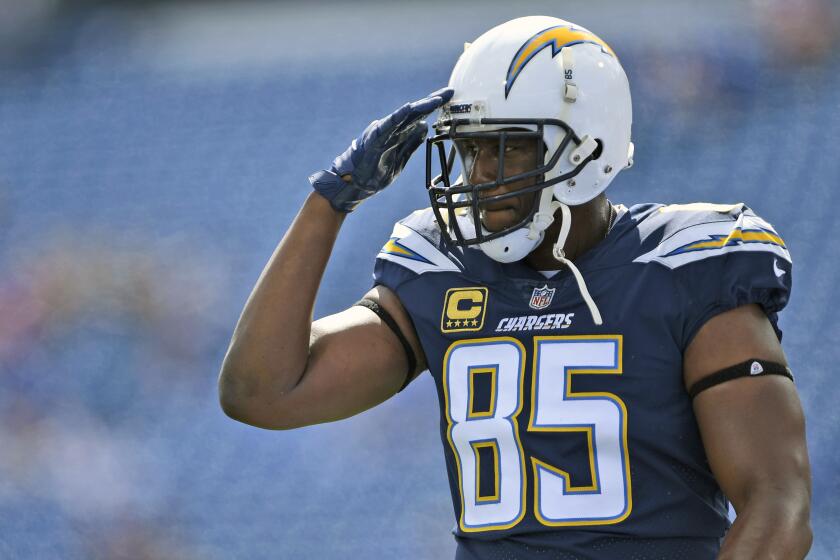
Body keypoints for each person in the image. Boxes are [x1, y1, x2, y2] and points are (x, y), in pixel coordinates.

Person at [218, 16, 812, 559]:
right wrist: (329, 203)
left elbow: (777, 507)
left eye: (509, 148)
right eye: (473, 149)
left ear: (588, 148)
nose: (481, 174)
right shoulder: (442, 269)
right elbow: (262, 392)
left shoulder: (685, 264)